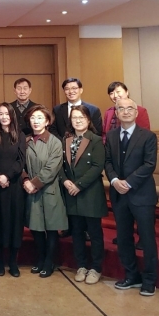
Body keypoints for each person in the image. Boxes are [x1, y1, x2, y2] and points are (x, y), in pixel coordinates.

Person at [105, 98, 158, 297]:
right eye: (121, 108)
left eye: (130, 108)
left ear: (136, 113)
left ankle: (150, 279)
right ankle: (131, 275)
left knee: (147, 238)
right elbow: (108, 161)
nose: (125, 112)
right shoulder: (110, 136)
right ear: (116, 113)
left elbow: (149, 164)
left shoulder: (148, 136)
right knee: (124, 238)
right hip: (119, 195)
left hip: (142, 195)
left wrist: (128, 182)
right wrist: (114, 180)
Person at [59, 105, 107, 285]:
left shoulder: (95, 140)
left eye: (81, 117)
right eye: (74, 117)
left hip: (90, 193)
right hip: (71, 193)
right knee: (77, 232)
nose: (77, 120)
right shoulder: (66, 139)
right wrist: (65, 181)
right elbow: (61, 165)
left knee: (94, 232)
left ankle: (96, 268)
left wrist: (78, 185)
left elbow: (97, 167)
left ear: (88, 120)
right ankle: (81, 265)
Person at [50, 77, 102, 239]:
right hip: (66, 153)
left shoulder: (93, 109)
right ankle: (70, 228)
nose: (70, 91)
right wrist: (63, 144)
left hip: (86, 157)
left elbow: (97, 131)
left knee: (87, 204)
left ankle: (86, 230)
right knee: (69, 202)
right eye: (67, 89)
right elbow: (54, 129)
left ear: (81, 89)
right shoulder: (58, 109)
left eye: (74, 88)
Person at [104, 82, 152, 248]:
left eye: (118, 92)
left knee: (139, 208)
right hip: (116, 163)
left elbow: (144, 134)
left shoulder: (140, 110)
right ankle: (125, 234)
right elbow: (106, 135)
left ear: (126, 92)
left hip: (135, 165)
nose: (115, 95)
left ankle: (142, 237)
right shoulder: (109, 112)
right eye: (112, 93)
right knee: (121, 210)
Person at [22, 104, 66, 278]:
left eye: (40, 118)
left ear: (47, 121)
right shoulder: (25, 141)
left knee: (51, 228)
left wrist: (34, 183)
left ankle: (49, 261)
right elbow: (20, 164)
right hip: (31, 191)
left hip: (49, 190)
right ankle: (40, 258)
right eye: (33, 118)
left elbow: (52, 167)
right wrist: (25, 180)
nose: (36, 121)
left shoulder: (54, 142)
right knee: (36, 228)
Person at [0, 103, 26, 277]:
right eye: (0, 114)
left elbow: (21, 160)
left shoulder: (20, 135)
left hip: (14, 185)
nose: (3, 117)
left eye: (6, 114)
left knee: (15, 223)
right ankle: (0, 262)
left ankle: (13, 262)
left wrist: (7, 176)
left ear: (12, 116)